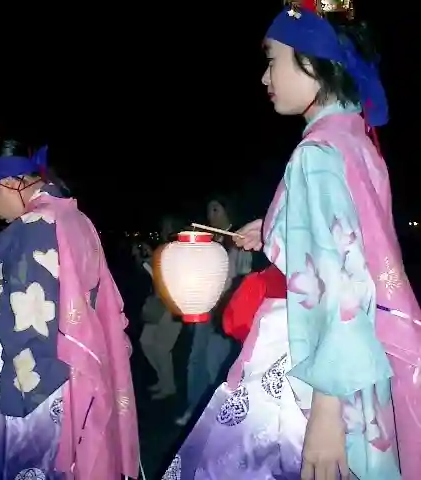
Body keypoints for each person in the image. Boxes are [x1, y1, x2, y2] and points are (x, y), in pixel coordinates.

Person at [161, 2, 419, 479]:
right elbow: (348, 240)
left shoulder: (315, 154)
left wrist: (326, 408)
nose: (265, 77)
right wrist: (274, 226)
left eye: (272, 60)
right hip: (357, 361)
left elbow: (343, 286)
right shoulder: (354, 140)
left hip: (309, 361)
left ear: (313, 62)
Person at [0, 113, 139, 480]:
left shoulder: (33, 226)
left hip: (44, 371)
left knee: (25, 458)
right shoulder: (75, 218)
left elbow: (26, 313)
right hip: (75, 359)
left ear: (9, 182)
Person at [175, 196, 252, 426]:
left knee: (214, 362)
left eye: (216, 209)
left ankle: (215, 412)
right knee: (195, 359)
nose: (211, 215)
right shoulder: (209, 241)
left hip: (224, 311)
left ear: (228, 211)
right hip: (205, 307)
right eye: (209, 210)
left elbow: (244, 276)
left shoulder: (238, 239)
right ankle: (195, 408)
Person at [136, 215, 184, 400]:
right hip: (158, 303)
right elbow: (155, 276)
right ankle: (164, 380)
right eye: (164, 227)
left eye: (168, 227)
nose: (165, 231)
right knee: (146, 341)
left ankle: (168, 386)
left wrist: (150, 261)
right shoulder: (163, 248)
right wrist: (145, 260)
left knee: (162, 348)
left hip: (173, 304)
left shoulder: (180, 250)